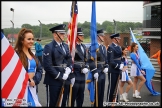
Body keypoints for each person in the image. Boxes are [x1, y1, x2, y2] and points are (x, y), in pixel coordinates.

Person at [43, 24, 74, 107]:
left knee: (63, 103)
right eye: (61, 33)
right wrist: (59, 76)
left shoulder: (65, 46)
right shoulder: (49, 47)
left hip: (66, 78)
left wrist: (69, 70)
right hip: (54, 80)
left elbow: (69, 60)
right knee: (53, 103)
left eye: (64, 33)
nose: (63, 35)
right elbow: (47, 66)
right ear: (55, 34)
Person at [14, 28, 42, 106]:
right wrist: (28, 80)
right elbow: (15, 72)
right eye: (29, 39)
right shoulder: (16, 55)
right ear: (22, 40)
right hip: (22, 89)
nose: (32, 41)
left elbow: (39, 69)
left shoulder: (33, 55)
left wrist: (35, 81)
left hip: (33, 88)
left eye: (32, 39)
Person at [71, 28, 89, 107]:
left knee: (81, 94)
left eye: (82, 35)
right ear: (76, 36)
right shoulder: (72, 46)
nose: (83, 37)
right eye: (81, 35)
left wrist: (87, 67)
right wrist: (80, 66)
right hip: (75, 73)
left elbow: (86, 59)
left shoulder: (84, 46)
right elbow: (70, 61)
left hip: (82, 74)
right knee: (73, 95)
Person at [91, 29, 108, 107]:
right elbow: (90, 60)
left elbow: (106, 59)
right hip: (96, 72)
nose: (103, 37)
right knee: (96, 93)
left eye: (103, 35)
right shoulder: (93, 47)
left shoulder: (103, 47)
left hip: (102, 72)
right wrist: (94, 71)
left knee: (101, 93)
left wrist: (106, 66)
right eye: (101, 35)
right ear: (97, 37)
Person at [106, 33, 124, 103]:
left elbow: (120, 57)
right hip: (113, 70)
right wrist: (119, 66)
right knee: (111, 87)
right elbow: (110, 61)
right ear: (114, 39)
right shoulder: (111, 47)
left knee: (116, 88)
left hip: (118, 70)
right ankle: (109, 102)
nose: (119, 39)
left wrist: (122, 63)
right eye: (118, 38)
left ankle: (115, 101)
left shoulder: (119, 47)